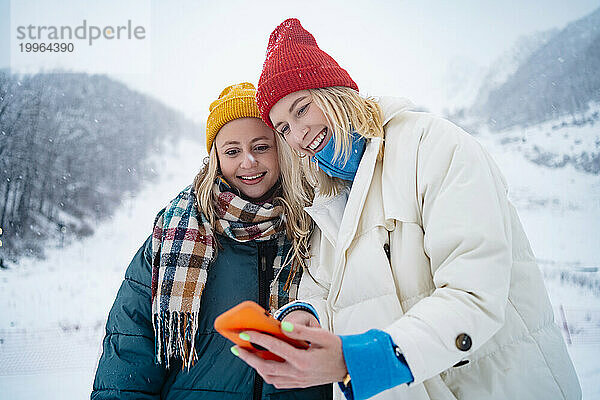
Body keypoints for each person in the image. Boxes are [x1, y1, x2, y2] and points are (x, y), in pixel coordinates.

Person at [231, 19, 582, 400]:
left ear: (334, 93)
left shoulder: (432, 147)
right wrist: (307, 318)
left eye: (302, 110)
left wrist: (361, 361)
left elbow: (474, 294)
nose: (297, 134)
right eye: (282, 128)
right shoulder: (327, 196)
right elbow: (324, 287)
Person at [91, 82, 331, 400]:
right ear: (216, 157)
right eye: (233, 151)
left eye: (261, 146)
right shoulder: (174, 236)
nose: (248, 161)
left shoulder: (322, 224)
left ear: (282, 148)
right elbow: (128, 356)